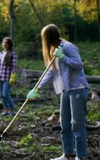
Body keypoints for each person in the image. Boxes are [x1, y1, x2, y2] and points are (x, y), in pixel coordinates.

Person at [27, 24, 89, 160]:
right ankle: (67, 155)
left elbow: (78, 64)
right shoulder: (54, 50)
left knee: (77, 125)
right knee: (65, 124)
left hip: (77, 88)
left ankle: (81, 156)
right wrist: (36, 89)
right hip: (66, 91)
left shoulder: (67, 47)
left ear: (48, 37)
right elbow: (50, 72)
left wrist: (63, 57)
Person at [0, 37, 17, 116]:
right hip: (0, 76)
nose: (4, 44)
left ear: (9, 44)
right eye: (3, 43)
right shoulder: (0, 54)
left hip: (8, 77)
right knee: (1, 95)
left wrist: (13, 77)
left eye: (6, 43)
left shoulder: (13, 54)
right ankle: (6, 110)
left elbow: (13, 67)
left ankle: (13, 110)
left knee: (5, 94)